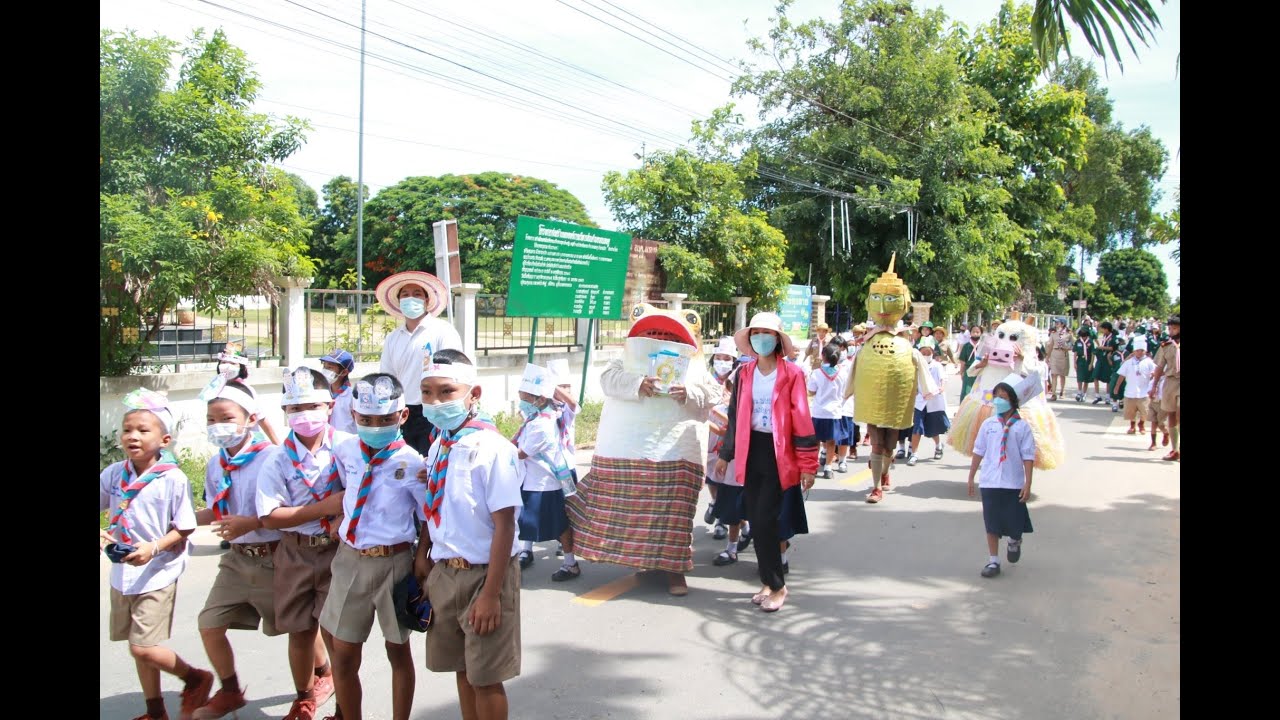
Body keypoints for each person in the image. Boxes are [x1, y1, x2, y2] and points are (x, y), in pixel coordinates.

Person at [416, 350, 523, 720]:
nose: (435, 401)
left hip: (485, 576)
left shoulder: (493, 449)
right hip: (446, 572)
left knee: (486, 678)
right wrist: (424, 555)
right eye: (427, 392)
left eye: (447, 391)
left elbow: (505, 525)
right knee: (462, 669)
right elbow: (435, 505)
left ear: (473, 393)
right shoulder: (440, 445)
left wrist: (491, 595)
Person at [101, 389, 213, 720]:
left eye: (142, 430)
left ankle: (195, 677)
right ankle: (155, 710)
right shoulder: (114, 474)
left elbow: (185, 526)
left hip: (158, 571)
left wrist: (153, 548)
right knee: (139, 648)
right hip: (123, 570)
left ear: (164, 440)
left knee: (143, 646)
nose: (132, 436)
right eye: (127, 429)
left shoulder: (172, 478)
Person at [321, 374, 427, 720]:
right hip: (351, 559)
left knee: (398, 650)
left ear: (403, 416)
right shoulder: (346, 450)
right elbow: (343, 487)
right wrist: (340, 518)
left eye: (384, 419)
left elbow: (427, 517)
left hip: (394, 563)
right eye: (366, 419)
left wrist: (421, 558)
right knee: (344, 651)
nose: (375, 427)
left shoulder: (412, 463)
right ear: (353, 414)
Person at [257, 368, 352, 720]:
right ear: (285, 412)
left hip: (337, 553)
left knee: (336, 635)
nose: (304, 414)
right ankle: (304, 698)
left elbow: (363, 494)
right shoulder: (277, 459)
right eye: (295, 408)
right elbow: (270, 517)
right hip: (294, 552)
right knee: (299, 632)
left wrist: (342, 517)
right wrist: (324, 508)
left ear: (330, 406)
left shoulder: (347, 448)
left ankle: (344, 707)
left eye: (312, 405)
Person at [190, 380, 283, 719]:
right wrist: (177, 522)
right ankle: (230, 690)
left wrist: (252, 523)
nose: (218, 426)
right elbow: (217, 510)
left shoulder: (272, 458)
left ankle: (320, 674)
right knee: (209, 623)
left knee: (297, 627)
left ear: (250, 419)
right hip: (236, 560)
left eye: (226, 418)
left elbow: (287, 511)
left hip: (274, 557)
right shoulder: (216, 464)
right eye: (211, 420)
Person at [714, 312, 817, 612]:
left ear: (777, 339)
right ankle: (768, 582)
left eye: (767, 332)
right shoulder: (744, 373)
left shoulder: (792, 374)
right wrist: (726, 454)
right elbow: (735, 415)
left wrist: (808, 464)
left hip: (778, 453)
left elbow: (801, 418)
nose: (761, 337)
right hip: (751, 450)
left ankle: (778, 586)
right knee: (756, 519)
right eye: (756, 332)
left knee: (764, 520)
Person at [375, 270, 463, 455]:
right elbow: (387, 378)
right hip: (403, 413)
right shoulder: (393, 338)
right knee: (404, 463)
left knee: (431, 462)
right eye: (405, 295)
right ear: (399, 301)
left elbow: (454, 372)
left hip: (433, 411)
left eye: (417, 294)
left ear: (426, 300)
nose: (411, 299)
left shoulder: (442, 331)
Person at [967, 374, 1038, 579]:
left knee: (1014, 522)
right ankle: (993, 560)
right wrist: (971, 477)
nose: (998, 400)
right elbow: (979, 451)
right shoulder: (988, 424)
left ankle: (1014, 540)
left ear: (1013, 401)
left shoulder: (1022, 427)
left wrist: (1028, 482)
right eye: (996, 396)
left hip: (1012, 482)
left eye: (1004, 397)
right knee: (991, 523)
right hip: (990, 481)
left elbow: (1028, 456)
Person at [513, 364, 579, 582]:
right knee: (526, 521)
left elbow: (521, 453)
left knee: (558, 524)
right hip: (531, 480)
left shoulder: (543, 423)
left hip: (545, 483)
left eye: (525, 398)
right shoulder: (534, 418)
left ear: (540, 399)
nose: (521, 402)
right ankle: (526, 552)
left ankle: (570, 563)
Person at [707, 360, 751, 567]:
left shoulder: (757, 408)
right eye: (734, 387)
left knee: (754, 507)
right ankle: (732, 548)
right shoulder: (728, 407)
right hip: (732, 468)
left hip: (753, 466)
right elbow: (728, 429)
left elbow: (730, 426)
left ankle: (772, 551)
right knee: (732, 509)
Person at [702, 337, 738, 538]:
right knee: (712, 476)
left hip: (729, 438)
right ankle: (715, 502)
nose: (722, 362)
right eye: (719, 357)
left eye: (727, 358)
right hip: (709, 435)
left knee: (727, 478)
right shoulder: (705, 380)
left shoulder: (738, 381)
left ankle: (722, 521)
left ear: (733, 361)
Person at [807, 342, 848, 479]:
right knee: (831, 441)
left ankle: (814, 466)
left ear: (823, 356)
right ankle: (828, 468)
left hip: (819, 412)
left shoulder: (817, 373)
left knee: (816, 441)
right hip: (835, 412)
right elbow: (844, 392)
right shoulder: (842, 373)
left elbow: (811, 391)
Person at [908, 338, 949, 465]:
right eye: (923, 353)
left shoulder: (937, 366)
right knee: (917, 427)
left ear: (932, 352)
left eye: (928, 353)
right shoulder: (915, 366)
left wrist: (941, 387)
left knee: (933, 428)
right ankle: (914, 454)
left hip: (933, 400)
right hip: (920, 400)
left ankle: (938, 445)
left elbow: (943, 379)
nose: (926, 355)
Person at [1149, 316, 1181, 461]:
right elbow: (1160, 367)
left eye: (1174, 328)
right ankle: (1175, 450)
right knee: (1171, 415)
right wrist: (1154, 386)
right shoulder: (1165, 346)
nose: (1171, 331)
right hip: (1170, 382)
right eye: (1169, 328)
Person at [1115, 339, 1156, 435]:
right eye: (1137, 351)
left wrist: (1154, 383)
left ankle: (1141, 424)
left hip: (1144, 391)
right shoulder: (1128, 362)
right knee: (1131, 411)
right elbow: (1121, 375)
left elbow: (1155, 372)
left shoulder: (1149, 362)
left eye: (1142, 350)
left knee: (1145, 411)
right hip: (1130, 391)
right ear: (1134, 351)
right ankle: (1132, 426)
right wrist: (1117, 386)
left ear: (1145, 351)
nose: (1139, 352)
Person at [321, 349, 358, 434]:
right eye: (324, 367)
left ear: (344, 372)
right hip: (327, 439)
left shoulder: (352, 396)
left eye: (330, 368)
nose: (325, 371)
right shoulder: (322, 393)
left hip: (347, 439)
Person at [1047, 319, 1072, 401]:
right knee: (1054, 374)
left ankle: (1062, 391)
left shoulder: (1068, 334)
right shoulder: (1053, 333)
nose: (1056, 324)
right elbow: (1050, 345)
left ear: (1063, 324)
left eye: (1058, 322)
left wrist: (1067, 348)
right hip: (1054, 354)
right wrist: (1047, 357)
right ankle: (1054, 394)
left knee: (1062, 374)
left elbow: (1072, 345)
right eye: (1055, 322)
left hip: (1063, 354)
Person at [958, 325, 982, 402]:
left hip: (980, 371)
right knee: (966, 390)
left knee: (979, 391)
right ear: (970, 333)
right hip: (968, 371)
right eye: (973, 332)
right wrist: (961, 372)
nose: (975, 333)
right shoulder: (966, 346)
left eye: (977, 332)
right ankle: (963, 407)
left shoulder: (983, 346)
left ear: (981, 333)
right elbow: (962, 361)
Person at [1072, 327, 1094, 402]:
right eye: (1082, 336)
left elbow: (1093, 353)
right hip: (1080, 360)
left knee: (1086, 379)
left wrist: (1091, 363)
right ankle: (1079, 392)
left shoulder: (1090, 342)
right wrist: (1074, 363)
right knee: (1080, 377)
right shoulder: (1078, 341)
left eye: (1085, 336)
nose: (1083, 337)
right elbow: (1075, 353)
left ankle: (1084, 394)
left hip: (1088, 361)